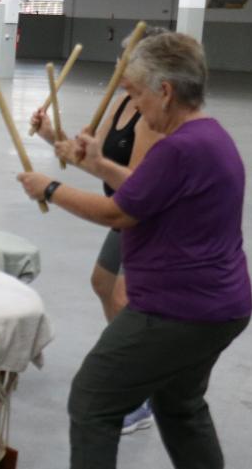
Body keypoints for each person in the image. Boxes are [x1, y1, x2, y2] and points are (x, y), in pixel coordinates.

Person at [13, 32, 250, 469]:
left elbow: (120, 212)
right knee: (180, 399)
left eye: (139, 93)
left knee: (94, 398)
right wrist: (94, 164)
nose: (135, 104)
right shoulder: (211, 138)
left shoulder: (178, 147)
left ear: (165, 91)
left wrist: (47, 188)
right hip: (223, 306)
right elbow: (144, 190)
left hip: (176, 308)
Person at [31, 36, 165, 435]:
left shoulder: (150, 115)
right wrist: (49, 134)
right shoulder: (124, 102)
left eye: (127, 56)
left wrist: (53, 189)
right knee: (103, 282)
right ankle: (131, 368)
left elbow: (134, 185)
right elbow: (90, 158)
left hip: (144, 218)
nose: (119, 62)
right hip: (127, 214)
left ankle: (140, 392)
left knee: (124, 296)